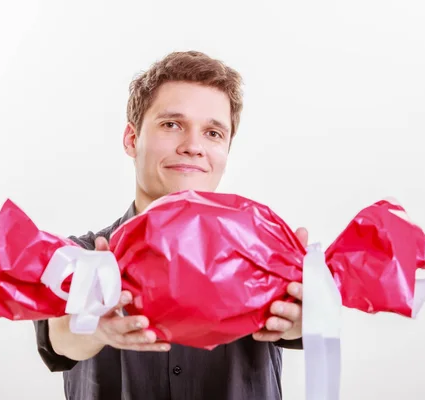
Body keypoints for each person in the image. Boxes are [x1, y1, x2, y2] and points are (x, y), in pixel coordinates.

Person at [34, 50, 309, 400]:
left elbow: (301, 323)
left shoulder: (268, 256)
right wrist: (92, 328)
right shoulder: (79, 256)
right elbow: (59, 335)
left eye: (212, 132)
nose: (193, 146)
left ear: (226, 150)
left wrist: (306, 317)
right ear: (132, 140)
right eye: (171, 125)